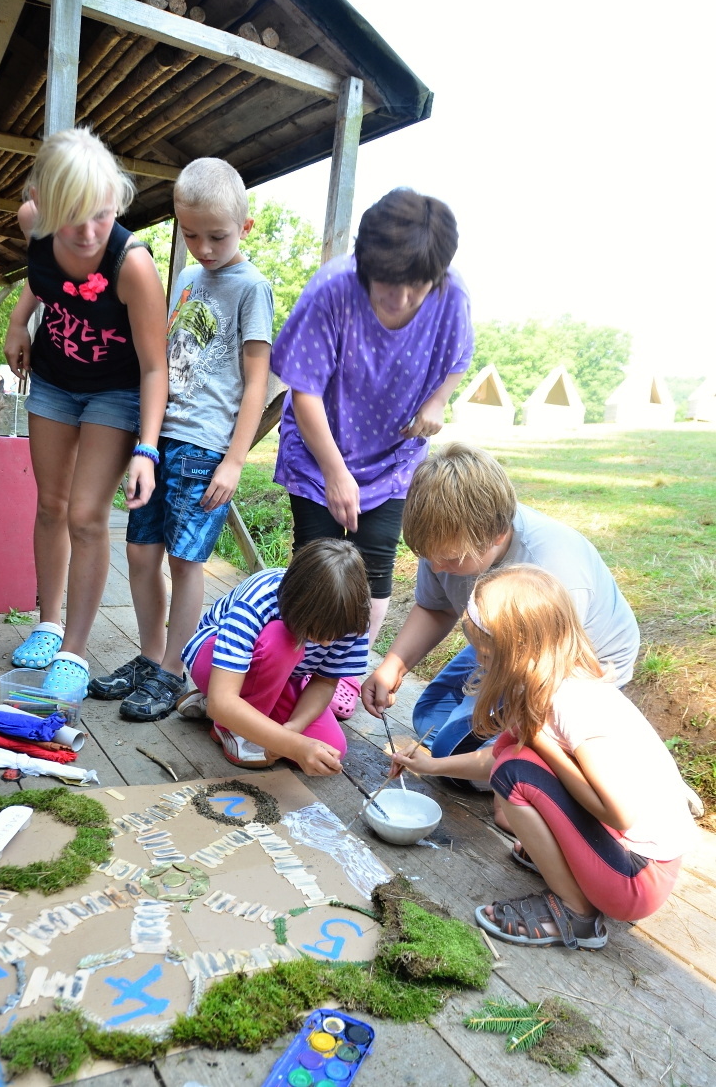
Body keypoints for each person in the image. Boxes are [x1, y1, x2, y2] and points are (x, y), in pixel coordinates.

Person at [392, 565, 695, 949]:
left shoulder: (574, 703)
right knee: (512, 762)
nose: (480, 662)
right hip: (626, 860)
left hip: (638, 878)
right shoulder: (544, 685)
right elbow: (496, 756)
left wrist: (542, 744)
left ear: (516, 650)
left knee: (514, 773)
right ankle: (569, 865)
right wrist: (430, 765)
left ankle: (578, 915)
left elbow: (619, 813)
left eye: (485, 653)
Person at [87, 157, 273, 721]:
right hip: (161, 439)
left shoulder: (253, 288)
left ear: (245, 227)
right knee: (140, 551)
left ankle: (174, 668)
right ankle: (150, 656)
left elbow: (257, 381)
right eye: (190, 235)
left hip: (206, 447)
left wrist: (234, 462)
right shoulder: (188, 280)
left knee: (186, 560)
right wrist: (146, 443)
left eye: (217, 236)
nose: (203, 248)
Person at [271, 188, 474, 671]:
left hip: (393, 457)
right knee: (316, 560)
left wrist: (437, 401)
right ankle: (294, 667)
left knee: (374, 566)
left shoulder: (451, 295)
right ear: (365, 265)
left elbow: (459, 359)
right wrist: (335, 472)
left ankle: (343, 673)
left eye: (416, 287)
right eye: (387, 285)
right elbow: (304, 391)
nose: (400, 300)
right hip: (320, 449)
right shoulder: (332, 290)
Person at [3, 128, 168, 698]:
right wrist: (17, 320)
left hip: (115, 392)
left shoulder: (132, 265)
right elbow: (41, 278)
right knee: (50, 504)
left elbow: (155, 367)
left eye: (101, 214)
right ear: (44, 205)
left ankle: (74, 651)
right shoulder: (33, 223)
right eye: (73, 219)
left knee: (86, 514)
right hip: (53, 378)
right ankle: (49, 624)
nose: (90, 232)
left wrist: (147, 449)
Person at [363, 443, 640, 767]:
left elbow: (546, 673)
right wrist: (392, 667)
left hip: (564, 667)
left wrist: (445, 766)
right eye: (428, 556)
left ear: (497, 534)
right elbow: (437, 608)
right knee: (429, 716)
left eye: (450, 558)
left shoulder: (551, 566)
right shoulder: (444, 542)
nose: (437, 567)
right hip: (501, 643)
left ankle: (570, 755)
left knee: (454, 751)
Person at [180, 539, 370, 775]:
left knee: (330, 749)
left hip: (281, 678)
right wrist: (294, 745)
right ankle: (229, 728)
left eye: (337, 635)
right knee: (282, 641)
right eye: (316, 632)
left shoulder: (353, 615)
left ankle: (234, 710)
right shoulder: (261, 597)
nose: (326, 643)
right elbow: (223, 701)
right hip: (215, 662)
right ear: (295, 604)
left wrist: (293, 729)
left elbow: (324, 682)